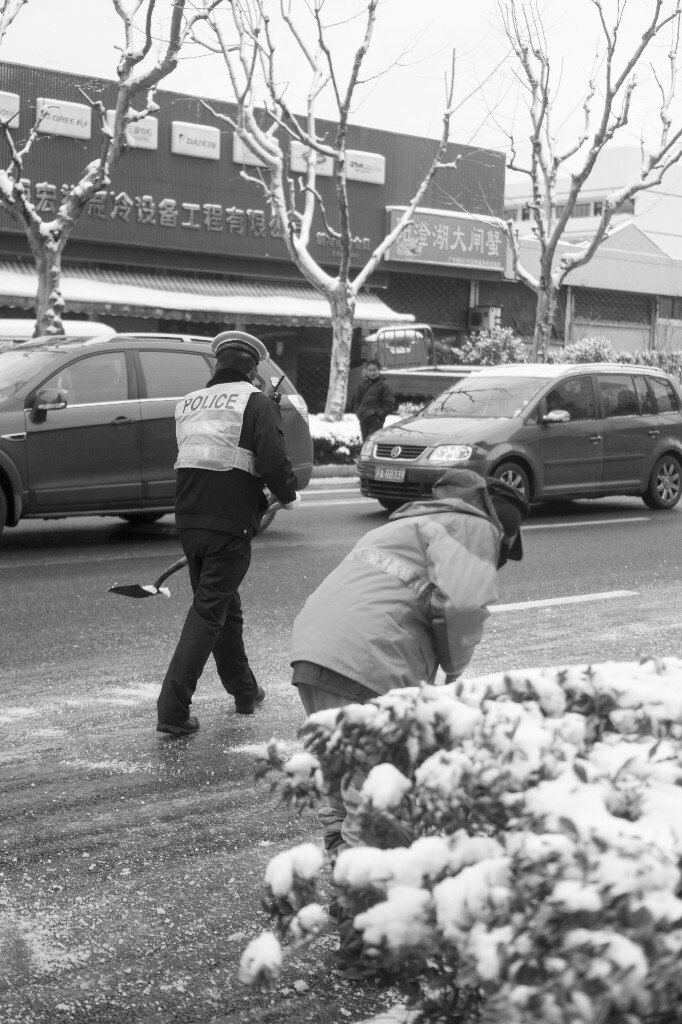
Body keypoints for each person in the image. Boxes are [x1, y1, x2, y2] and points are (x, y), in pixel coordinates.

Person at [289, 468, 528, 857]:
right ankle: (360, 895)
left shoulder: (412, 522)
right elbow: (463, 604)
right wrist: (454, 668)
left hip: (314, 651)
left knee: (342, 769)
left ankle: (341, 855)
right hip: (368, 659)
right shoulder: (476, 528)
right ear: (505, 529)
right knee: (377, 791)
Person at [156, 330, 301, 736]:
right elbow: (272, 459)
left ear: (217, 365)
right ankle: (172, 709)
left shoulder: (188, 404)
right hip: (230, 524)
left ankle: (245, 691)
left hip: (189, 519)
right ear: (253, 368)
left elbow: (203, 458)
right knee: (208, 613)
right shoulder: (255, 401)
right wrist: (287, 493)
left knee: (223, 609)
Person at [350, 359, 396, 440]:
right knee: (365, 443)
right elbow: (357, 400)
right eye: (370, 370)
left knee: (371, 442)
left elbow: (389, 405)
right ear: (366, 371)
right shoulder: (362, 384)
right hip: (363, 420)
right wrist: (358, 412)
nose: (372, 373)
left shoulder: (384, 386)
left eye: (374, 370)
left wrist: (378, 416)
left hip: (376, 421)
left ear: (379, 371)